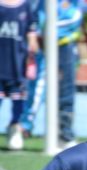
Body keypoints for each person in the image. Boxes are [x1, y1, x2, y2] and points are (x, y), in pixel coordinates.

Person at [19, 0, 82, 149]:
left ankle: (65, 134)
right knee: (37, 87)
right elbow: (34, 17)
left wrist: (49, 30)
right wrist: (37, 34)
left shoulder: (73, 3)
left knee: (66, 92)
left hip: (65, 47)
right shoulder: (41, 3)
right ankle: (23, 127)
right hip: (43, 45)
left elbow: (74, 18)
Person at [0, 0, 38, 151]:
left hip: (17, 65)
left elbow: (31, 31)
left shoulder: (25, 6)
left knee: (18, 101)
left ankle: (14, 127)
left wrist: (32, 47)